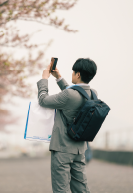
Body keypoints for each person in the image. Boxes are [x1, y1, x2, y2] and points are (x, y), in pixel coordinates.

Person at [37, 58, 98, 193]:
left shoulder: (70, 95)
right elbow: (74, 94)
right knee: (81, 189)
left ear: (78, 74)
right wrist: (58, 77)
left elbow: (43, 100)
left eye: (73, 72)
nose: (71, 74)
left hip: (62, 149)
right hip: (80, 150)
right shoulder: (93, 94)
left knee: (61, 189)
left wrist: (44, 79)